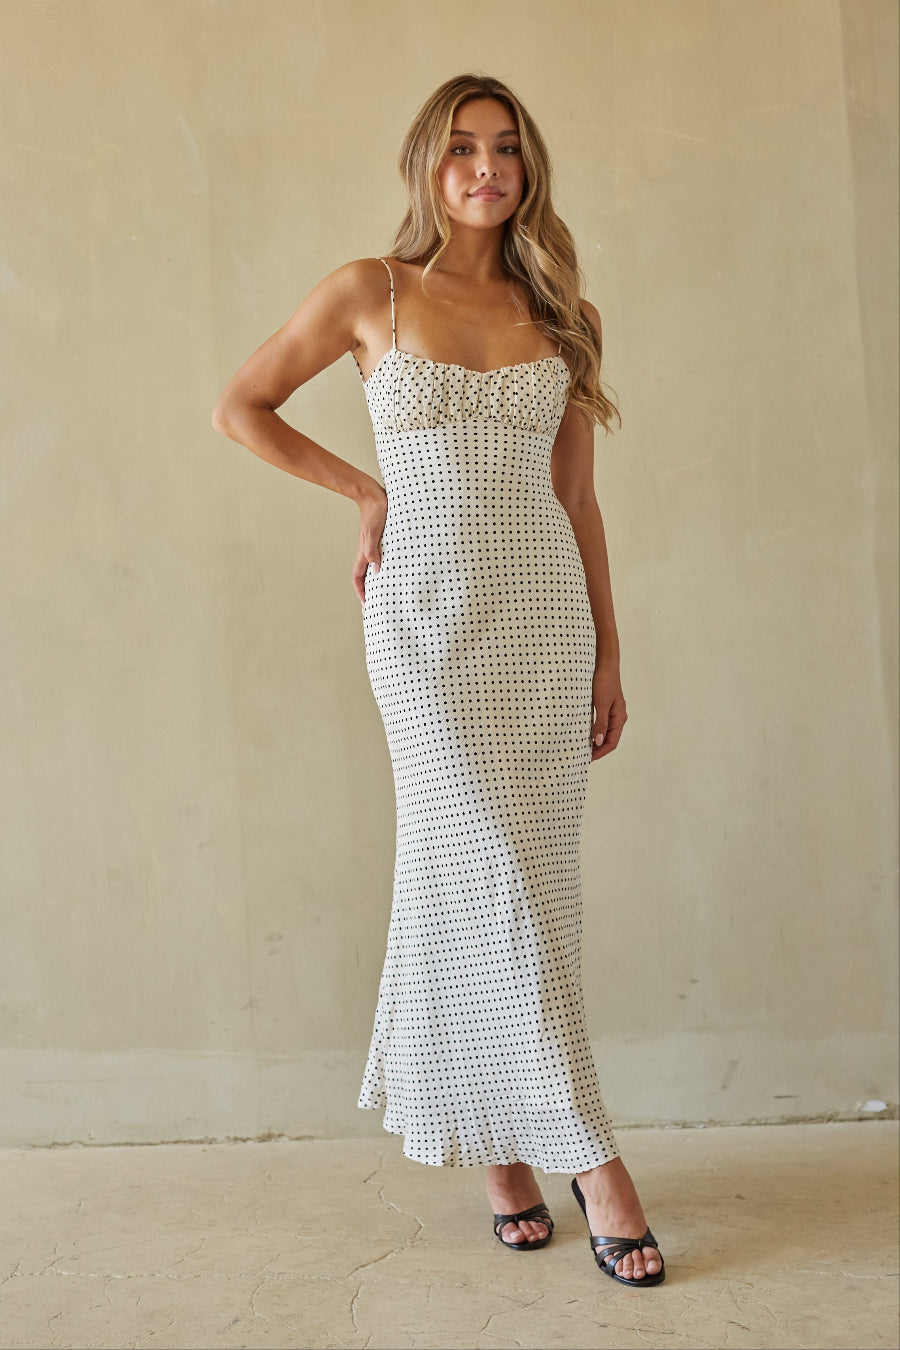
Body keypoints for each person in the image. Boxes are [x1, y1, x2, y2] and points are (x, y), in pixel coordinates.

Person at [212, 73, 665, 1286]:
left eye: (507, 149)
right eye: (463, 148)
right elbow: (241, 405)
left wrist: (610, 648)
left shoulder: (565, 314)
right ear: (428, 164)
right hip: (422, 624)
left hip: (541, 626)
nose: (486, 167)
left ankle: (499, 1155)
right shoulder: (374, 292)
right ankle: (597, 1160)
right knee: (485, 865)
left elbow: (576, 499)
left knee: (515, 890)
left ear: (529, 170)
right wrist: (365, 492)